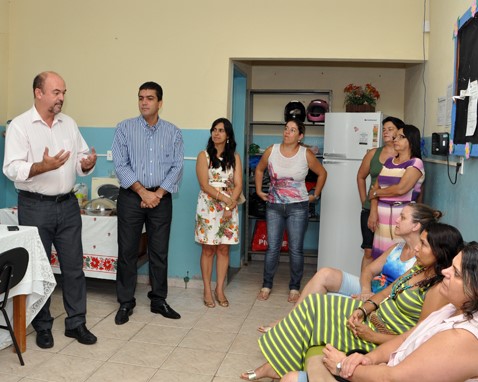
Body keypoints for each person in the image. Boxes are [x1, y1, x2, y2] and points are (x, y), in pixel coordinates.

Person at [240, 223, 464, 380]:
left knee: (312, 314)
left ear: (439, 251)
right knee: (313, 304)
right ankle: (275, 366)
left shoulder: (438, 290)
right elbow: (386, 292)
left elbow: (415, 338)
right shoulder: (418, 267)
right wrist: (363, 309)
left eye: (423, 245)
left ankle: (273, 368)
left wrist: (371, 335)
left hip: (380, 336)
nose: (416, 248)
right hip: (372, 318)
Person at [2, 71, 98, 348]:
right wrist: (41, 167)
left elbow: (79, 160)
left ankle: (77, 323)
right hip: (35, 207)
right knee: (39, 269)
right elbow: (11, 168)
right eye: (56, 92)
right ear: (38, 92)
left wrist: (87, 164)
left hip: (68, 205)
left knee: (73, 268)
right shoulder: (20, 126)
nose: (61, 98)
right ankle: (43, 326)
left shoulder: (69, 123)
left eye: (64, 93)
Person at [257, 203, 442, 334]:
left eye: (402, 217)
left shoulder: (422, 260)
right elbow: (368, 271)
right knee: (325, 274)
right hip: (371, 292)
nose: (396, 221)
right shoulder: (397, 248)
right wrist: (365, 289)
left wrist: (371, 298)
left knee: (324, 299)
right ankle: (288, 320)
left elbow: (401, 293)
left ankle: (289, 327)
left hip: (385, 302)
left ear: (416, 225)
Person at [318, 241, 478, 382]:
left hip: (388, 371)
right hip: (385, 363)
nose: (444, 272)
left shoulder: (464, 337)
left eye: (456, 273)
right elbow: (406, 338)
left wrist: (342, 366)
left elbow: (392, 378)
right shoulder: (452, 308)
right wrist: (368, 359)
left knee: (311, 364)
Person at [112, 81, 184, 325]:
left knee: (159, 251)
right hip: (132, 197)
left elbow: (177, 166)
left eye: (150, 98)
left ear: (160, 103)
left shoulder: (173, 132)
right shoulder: (124, 128)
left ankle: (158, 300)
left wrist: (158, 194)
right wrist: (143, 192)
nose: (144, 102)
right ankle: (125, 302)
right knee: (128, 251)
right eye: (141, 97)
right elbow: (121, 165)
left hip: (161, 199)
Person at [255, 119, 327, 303]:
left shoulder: (306, 154)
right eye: (286, 129)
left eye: (292, 130)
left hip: (298, 207)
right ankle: (266, 284)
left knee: (295, 249)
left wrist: (315, 195)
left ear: (300, 136)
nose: (287, 132)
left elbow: (322, 173)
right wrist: (258, 190)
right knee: (273, 248)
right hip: (274, 206)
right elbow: (259, 169)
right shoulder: (272, 150)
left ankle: (295, 287)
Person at [195, 118, 242, 308]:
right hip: (208, 206)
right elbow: (204, 184)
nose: (216, 133)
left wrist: (230, 207)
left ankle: (219, 289)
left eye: (221, 130)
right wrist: (225, 200)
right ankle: (207, 289)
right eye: (214, 130)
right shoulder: (203, 156)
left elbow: (238, 184)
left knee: (223, 248)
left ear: (228, 135)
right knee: (208, 249)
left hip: (229, 208)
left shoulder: (235, 158)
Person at [369, 124, 425, 260]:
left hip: (402, 220)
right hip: (381, 221)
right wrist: (373, 211)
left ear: (411, 141)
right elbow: (374, 187)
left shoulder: (416, 163)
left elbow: (401, 189)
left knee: (397, 258)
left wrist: (377, 193)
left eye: (401, 137)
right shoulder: (389, 162)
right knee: (379, 257)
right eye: (396, 137)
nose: (395, 140)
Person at [356, 116, 403, 271]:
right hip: (371, 210)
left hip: (394, 211)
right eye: (384, 129)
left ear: (400, 132)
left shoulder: (405, 155)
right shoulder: (373, 153)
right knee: (369, 250)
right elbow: (361, 176)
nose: (385, 132)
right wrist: (365, 201)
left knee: (392, 251)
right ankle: (364, 288)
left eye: (390, 129)